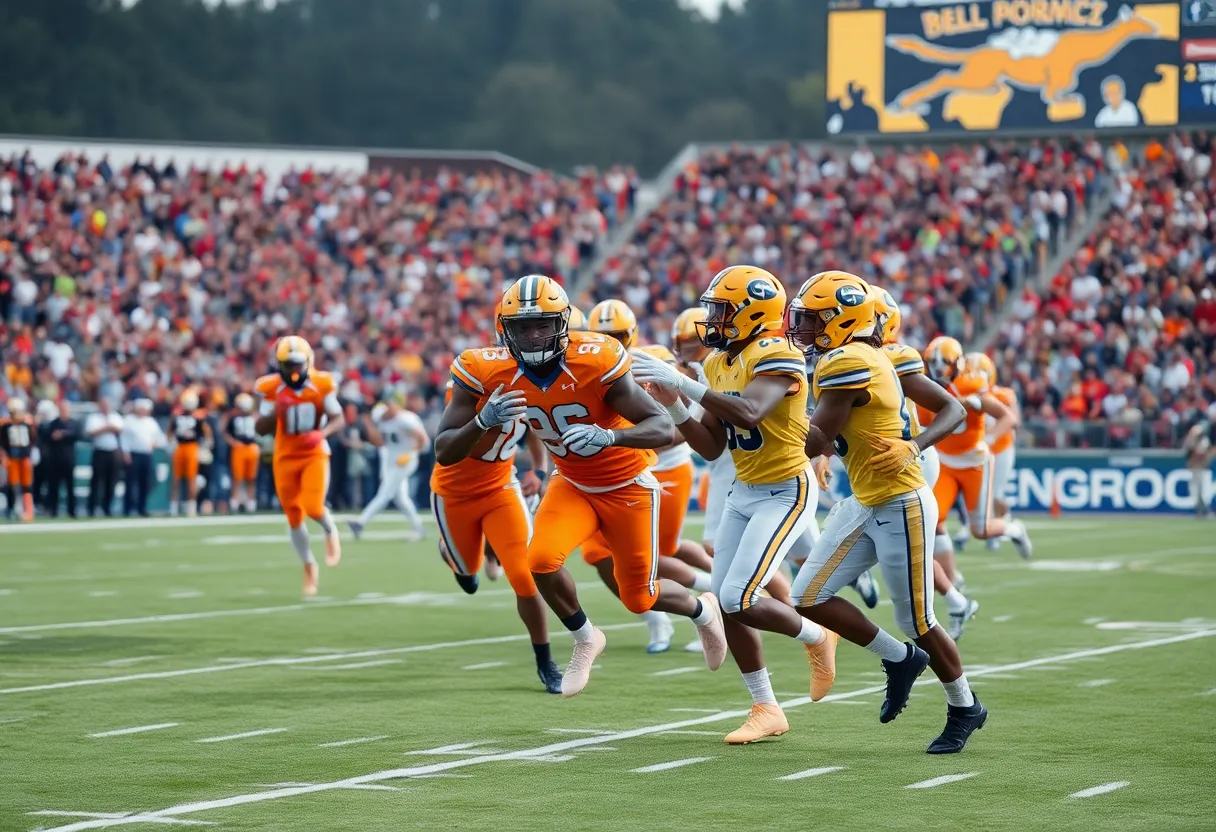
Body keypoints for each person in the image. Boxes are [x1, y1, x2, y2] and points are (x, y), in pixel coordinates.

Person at [435, 274, 726, 698]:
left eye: (542, 325)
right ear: (505, 330)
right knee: (539, 561)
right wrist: (483, 420)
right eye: (522, 327)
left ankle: (703, 611)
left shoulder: (595, 357)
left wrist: (611, 436)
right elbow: (444, 450)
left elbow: (661, 425)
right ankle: (586, 636)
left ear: (563, 324)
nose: (533, 336)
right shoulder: (485, 368)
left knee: (639, 599)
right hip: (571, 482)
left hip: (627, 484)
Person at [632, 265, 837, 744]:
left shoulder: (778, 352)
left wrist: (684, 385)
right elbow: (709, 446)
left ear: (750, 312)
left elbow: (749, 411)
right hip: (743, 490)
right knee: (729, 603)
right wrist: (674, 404)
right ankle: (766, 707)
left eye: (721, 310)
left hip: (786, 488)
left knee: (736, 597)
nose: (713, 320)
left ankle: (816, 634)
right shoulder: (720, 362)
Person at [786, 270, 986, 755]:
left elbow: (817, 435)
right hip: (866, 500)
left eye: (813, 320)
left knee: (919, 619)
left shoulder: (853, 359)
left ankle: (965, 706)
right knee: (808, 595)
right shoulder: (856, 356)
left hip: (900, 500)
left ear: (840, 319)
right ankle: (899, 660)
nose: (804, 329)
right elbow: (828, 434)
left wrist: (913, 446)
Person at [581, 302, 715, 654]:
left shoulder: (651, 359)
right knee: (596, 551)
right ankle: (656, 615)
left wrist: (645, 437)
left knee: (660, 553)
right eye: (602, 336)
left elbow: (685, 419)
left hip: (665, 465)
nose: (609, 342)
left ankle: (719, 591)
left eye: (616, 336)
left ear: (632, 335)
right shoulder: (583, 364)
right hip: (619, 469)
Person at [431, 369, 562, 693]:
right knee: (469, 574)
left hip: (501, 488)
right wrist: (481, 420)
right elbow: (445, 446)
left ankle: (545, 661)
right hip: (454, 494)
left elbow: (534, 425)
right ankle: (453, 553)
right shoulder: (468, 384)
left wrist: (539, 470)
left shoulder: (538, 381)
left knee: (524, 576)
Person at [871, 287, 978, 641]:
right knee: (923, 536)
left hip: (904, 453)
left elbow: (954, 408)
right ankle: (954, 592)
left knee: (901, 544)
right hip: (904, 453)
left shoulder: (891, 356)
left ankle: (950, 598)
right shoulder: (871, 355)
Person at [920, 337, 1032, 573]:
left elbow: (1008, 417)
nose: (939, 368)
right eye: (933, 362)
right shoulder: (922, 388)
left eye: (945, 362)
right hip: (944, 463)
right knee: (932, 520)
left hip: (975, 463)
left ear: (958, 363)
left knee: (980, 530)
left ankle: (1014, 529)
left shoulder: (970, 386)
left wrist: (988, 439)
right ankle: (952, 581)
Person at [255, 336, 346, 596]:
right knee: (293, 516)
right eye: (288, 365)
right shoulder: (272, 388)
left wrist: (322, 433)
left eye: (297, 364)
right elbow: (260, 429)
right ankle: (308, 565)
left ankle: (330, 530)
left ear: (308, 362)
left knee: (314, 506)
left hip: (313, 453)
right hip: (285, 455)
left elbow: (338, 418)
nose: (294, 371)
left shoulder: (321, 383)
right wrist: (274, 412)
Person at [349, 392, 429, 540]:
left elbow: (423, 440)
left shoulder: (406, 419)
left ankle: (360, 522)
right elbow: (379, 442)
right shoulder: (381, 418)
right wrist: (369, 424)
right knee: (400, 498)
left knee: (385, 493)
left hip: (405, 459)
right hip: (391, 460)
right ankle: (418, 527)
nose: (387, 410)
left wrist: (411, 454)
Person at [169, 389, 211, 517]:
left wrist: (205, 446)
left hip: (192, 447)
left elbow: (207, 433)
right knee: (176, 479)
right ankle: (173, 508)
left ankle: (191, 507)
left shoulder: (198, 418)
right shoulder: (177, 416)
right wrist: (170, 444)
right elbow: (170, 431)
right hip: (180, 446)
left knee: (191, 479)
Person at [122, 398, 166, 517]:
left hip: (147, 454)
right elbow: (124, 439)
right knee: (131, 483)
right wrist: (126, 453)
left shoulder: (151, 422)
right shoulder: (129, 421)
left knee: (145, 483)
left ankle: (142, 508)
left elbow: (161, 439)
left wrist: (155, 444)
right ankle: (127, 508)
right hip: (133, 454)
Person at [85, 398, 124, 517]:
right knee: (96, 481)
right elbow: (91, 432)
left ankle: (107, 507)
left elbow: (120, 430)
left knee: (111, 481)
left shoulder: (116, 416)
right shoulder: (94, 418)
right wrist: (106, 428)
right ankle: (92, 508)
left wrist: (108, 428)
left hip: (112, 452)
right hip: (99, 451)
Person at [0, 399, 37, 521]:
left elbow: (32, 439)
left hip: (24, 457)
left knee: (27, 485)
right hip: (12, 458)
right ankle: (13, 509)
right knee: (12, 485)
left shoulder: (27, 423)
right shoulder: (5, 425)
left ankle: (28, 510)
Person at [43, 401, 80, 518]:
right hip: (55, 459)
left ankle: (71, 511)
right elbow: (47, 438)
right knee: (54, 486)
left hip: (69, 459)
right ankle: (53, 510)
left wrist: (63, 434)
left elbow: (78, 435)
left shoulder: (73, 423)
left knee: (70, 486)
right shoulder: (54, 424)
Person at [226, 393, 260, 514]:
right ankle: (234, 503)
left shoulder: (255, 417)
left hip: (251, 447)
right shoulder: (234, 418)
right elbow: (226, 432)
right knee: (237, 477)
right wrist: (233, 442)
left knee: (251, 478)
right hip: (239, 448)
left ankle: (251, 502)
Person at [1183, 421, 1214, 517]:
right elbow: (1188, 451)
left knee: (1200, 489)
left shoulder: (1203, 441)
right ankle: (1201, 510)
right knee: (1195, 489)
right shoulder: (1194, 441)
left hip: (1200, 467)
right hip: (1196, 467)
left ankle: (1204, 510)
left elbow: (1199, 453)